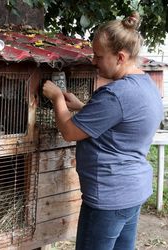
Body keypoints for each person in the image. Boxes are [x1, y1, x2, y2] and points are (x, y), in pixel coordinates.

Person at [43, 12, 163, 250]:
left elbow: (69, 131)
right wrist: (81, 107)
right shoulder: (146, 85)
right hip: (132, 191)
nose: (94, 61)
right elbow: (122, 120)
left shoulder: (115, 94)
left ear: (120, 57)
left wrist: (56, 97)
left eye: (98, 56)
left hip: (109, 197)